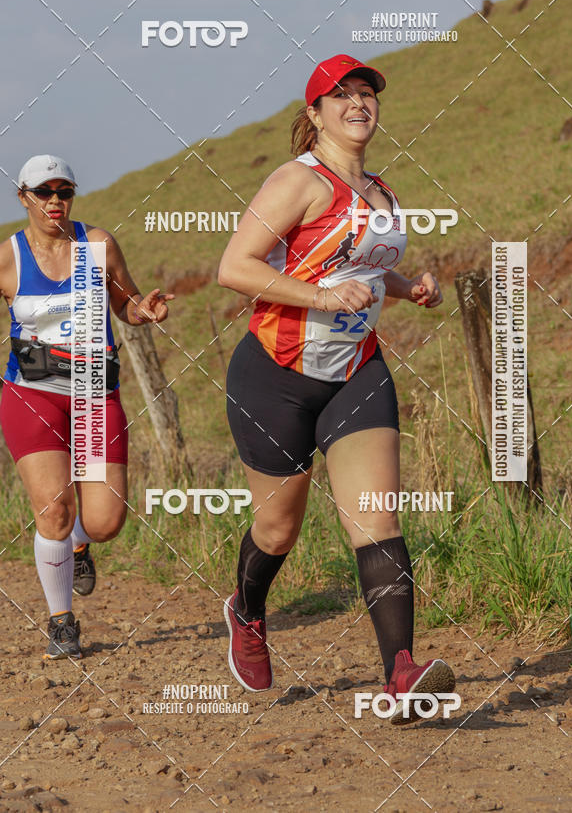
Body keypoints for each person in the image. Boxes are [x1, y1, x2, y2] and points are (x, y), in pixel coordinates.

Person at [218, 54, 455, 723]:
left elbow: (366, 270)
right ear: (315, 113)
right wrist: (319, 297)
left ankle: (401, 676)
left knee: (377, 515)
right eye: (341, 95)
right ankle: (249, 608)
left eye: (366, 94)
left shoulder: (382, 192)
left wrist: (412, 288)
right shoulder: (298, 181)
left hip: (357, 371)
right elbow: (234, 267)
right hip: (276, 377)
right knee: (277, 526)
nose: (358, 103)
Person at [0, 154, 174, 660]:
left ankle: (80, 544)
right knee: (52, 510)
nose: (55, 201)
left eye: (64, 191)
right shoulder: (9, 257)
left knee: (104, 522)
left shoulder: (97, 246)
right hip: (31, 395)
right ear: (24, 197)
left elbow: (127, 301)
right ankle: (61, 622)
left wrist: (144, 312)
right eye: (43, 191)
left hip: (96, 393)